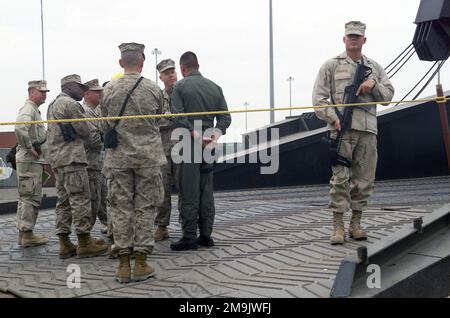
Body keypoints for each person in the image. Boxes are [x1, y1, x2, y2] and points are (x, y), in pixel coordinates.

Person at [312, 21, 394, 245]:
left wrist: (372, 84)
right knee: (340, 179)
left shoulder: (374, 67)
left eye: (357, 36)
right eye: (350, 36)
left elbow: (388, 97)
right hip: (341, 130)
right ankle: (337, 226)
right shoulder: (331, 65)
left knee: (364, 180)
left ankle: (355, 224)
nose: (353, 39)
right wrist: (333, 117)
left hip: (367, 130)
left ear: (364, 40)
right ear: (344, 39)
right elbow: (318, 100)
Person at [100, 42, 166, 283]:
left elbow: (104, 124)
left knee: (119, 209)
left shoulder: (108, 90)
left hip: (117, 160)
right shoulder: (153, 89)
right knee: (145, 208)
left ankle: (122, 266)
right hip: (148, 158)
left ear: (120, 63)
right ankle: (141, 263)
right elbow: (160, 118)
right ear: (142, 62)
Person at [170, 51, 231, 251]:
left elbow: (178, 116)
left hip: (188, 144)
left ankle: (189, 236)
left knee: (188, 189)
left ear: (182, 68)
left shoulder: (179, 87)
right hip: (209, 145)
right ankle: (206, 234)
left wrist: (195, 135)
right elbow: (225, 118)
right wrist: (215, 135)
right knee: (206, 189)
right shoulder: (215, 87)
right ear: (198, 65)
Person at [47, 74, 108, 258]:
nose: (82, 91)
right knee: (81, 198)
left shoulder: (53, 104)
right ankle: (84, 241)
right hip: (73, 159)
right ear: (69, 86)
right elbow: (85, 132)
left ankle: (65, 243)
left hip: (58, 160)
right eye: (79, 87)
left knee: (64, 202)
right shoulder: (71, 105)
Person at [14, 80, 50, 247]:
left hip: (30, 160)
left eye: (45, 92)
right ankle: (27, 234)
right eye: (41, 91)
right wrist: (30, 148)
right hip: (29, 159)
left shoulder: (33, 109)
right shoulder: (29, 109)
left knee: (26, 197)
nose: (44, 94)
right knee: (30, 197)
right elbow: (20, 128)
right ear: (31, 92)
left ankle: (24, 233)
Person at [154, 59, 178, 242]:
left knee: (187, 190)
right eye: (167, 73)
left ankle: (188, 226)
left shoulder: (183, 93)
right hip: (163, 150)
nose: (171, 75)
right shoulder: (157, 97)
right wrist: (171, 119)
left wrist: (169, 119)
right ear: (161, 77)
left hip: (183, 149)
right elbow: (155, 121)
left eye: (173, 72)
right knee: (163, 191)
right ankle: (162, 227)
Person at [82, 79, 108, 234]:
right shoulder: (85, 112)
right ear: (87, 93)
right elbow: (93, 139)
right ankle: (85, 234)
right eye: (97, 92)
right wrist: (105, 135)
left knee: (103, 196)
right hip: (90, 163)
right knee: (93, 199)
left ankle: (107, 223)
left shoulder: (97, 111)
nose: (101, 94)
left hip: (98, 162)